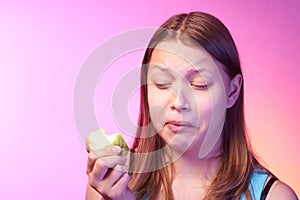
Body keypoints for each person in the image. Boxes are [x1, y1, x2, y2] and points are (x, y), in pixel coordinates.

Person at [85, 12, 298, 200]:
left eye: (199, 85)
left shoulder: (273, 197)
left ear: (232, 92)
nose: (178, 103)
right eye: (162, 83)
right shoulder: (110, 184)